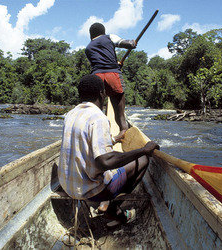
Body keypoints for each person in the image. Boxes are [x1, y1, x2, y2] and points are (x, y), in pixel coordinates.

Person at [58, 74, 159, 225]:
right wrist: (143, 150)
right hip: (91, 191)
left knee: (120, 156)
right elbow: (105, 161)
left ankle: (106, 203)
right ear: (102, 93)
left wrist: (114, 139)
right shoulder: (98, 118)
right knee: (142, 160)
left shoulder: (71, 114)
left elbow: (84, 143)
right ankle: (113, 207)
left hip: (68, 187)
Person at [85, 22, 137, 142]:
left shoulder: (88, 48)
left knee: (96, 113)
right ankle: (124, 135)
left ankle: (97, 139)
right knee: (120, 115)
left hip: (96, 78)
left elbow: (99, 63)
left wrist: (116, 63)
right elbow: (129, 44)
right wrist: (133, 43)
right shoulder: (109, 37)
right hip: (113, 75)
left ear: (91, 34)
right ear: (103, 31)